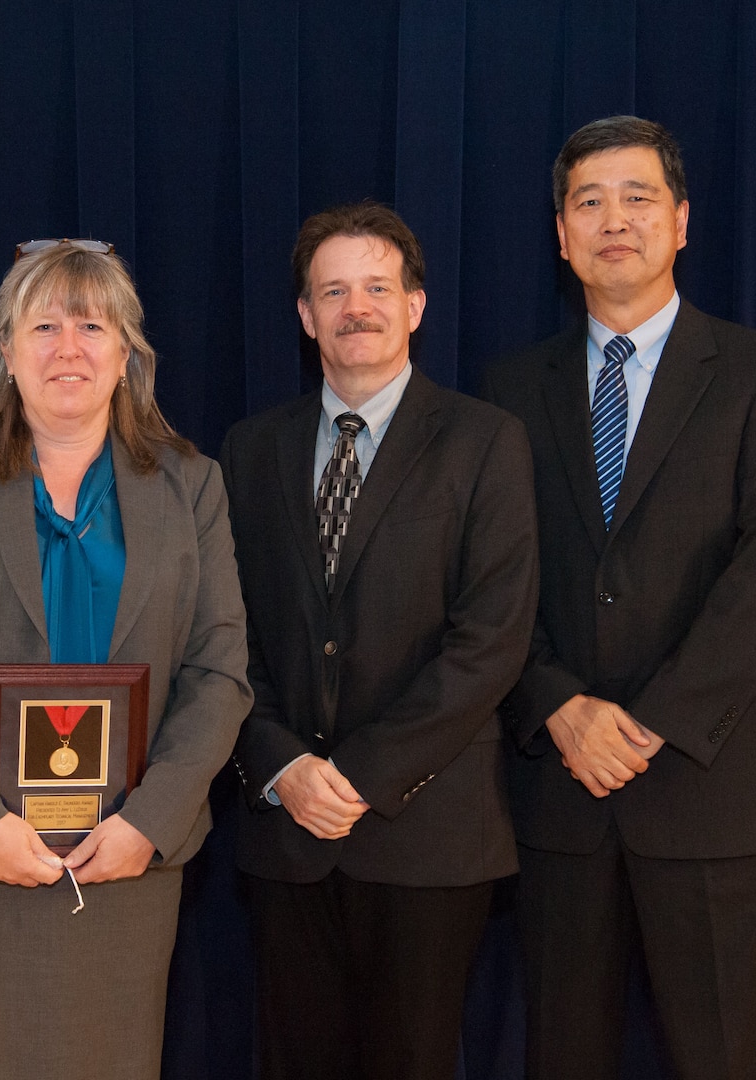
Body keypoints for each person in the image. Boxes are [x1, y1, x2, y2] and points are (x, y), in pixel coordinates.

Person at [482, 116, 756, 1079]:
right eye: (588, 202)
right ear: (560, 235)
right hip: (561, 792)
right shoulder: (508, 390)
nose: (613, 220)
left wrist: (647, 725)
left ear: (680, 222)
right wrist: (557, 707)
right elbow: (492, 581)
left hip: (711, 790)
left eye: (637, 198)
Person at [0, 239, 252, 1080]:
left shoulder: (192, 484)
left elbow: (218, 672)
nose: (67, 348)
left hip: (124, 855)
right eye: (42, 326)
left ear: (126, 353)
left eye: (91, 325)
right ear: (6, 350)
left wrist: (150, 822)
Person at [219, 202, 539, 1079]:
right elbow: (221, 633)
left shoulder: (485, 442)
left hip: (427, 833)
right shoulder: (249, 452)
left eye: (375, 287)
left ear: (415, 306)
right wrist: (281, 765)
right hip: (286, 833)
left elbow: (491, 639)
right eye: (332, 291)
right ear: (305, 316)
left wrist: (361, 775)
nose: (354, 306)